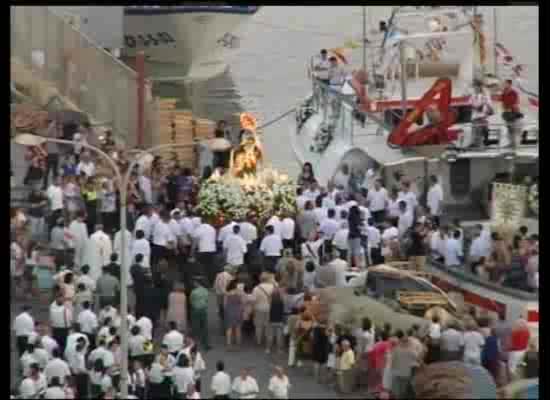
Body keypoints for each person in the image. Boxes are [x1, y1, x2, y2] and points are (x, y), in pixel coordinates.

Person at [390, 331, 419, 399]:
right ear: (408, 343)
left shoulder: (396, 349)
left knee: (396, 389)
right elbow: (417, 358)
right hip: (406, 373)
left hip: (397, 372)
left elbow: (393, 361)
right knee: (403, 390)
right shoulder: (411, 350)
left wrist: (392, 369)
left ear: (400, 342)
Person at [252, 274, 276, 346]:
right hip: (270, 309)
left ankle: (259, 341)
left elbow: (254, 300)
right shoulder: (273, 287)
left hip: (259, 309)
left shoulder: (256, 288)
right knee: (268, 326)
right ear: (268, 279)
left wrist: (253, 309)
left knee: (258, 326)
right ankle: (268, 341)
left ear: (260, 279)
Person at [501, 79, 523, 148]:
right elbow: (502, 100)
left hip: (513, 113)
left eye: (505, 83)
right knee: (509, 128)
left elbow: (515, 102)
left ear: (510, 84)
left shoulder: (514, 92)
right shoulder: (504, 92)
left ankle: (514, 144)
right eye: (504, 83)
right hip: (507, 113)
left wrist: (511, 108)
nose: (504, 84)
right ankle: (511, 143)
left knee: (513, 129)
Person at [190, 278, 211, 351]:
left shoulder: (194, 291)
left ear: (197, 283)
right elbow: (207, 300)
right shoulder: (206, 290)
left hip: (196, 310)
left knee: (195, 327)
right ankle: (206, 344)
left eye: (194, 282)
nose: (193, 283)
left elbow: (191, 300)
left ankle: (193, 344)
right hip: (203, 310)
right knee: (204, 327)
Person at [470, 82, 493, 147]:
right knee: (476, 131)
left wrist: (486, 111)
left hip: (483, 117)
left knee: (481, 130)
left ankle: (482, 143)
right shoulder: (473, 95)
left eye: (476, 87)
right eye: (474, 87)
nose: (475, 88)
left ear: (480, 87)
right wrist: (474, 106)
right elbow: (469, 103)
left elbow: (489, 106)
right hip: (475, 116)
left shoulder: (485, 95)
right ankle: (477, 144)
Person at [224, 279, 244, 349]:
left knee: (229, 329)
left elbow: (225, 304)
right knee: (238, 329)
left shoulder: (227, 293)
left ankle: (229, 344)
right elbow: (242, 302)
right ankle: (238, 344)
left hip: (229, 311)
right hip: (238, 312)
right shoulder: (239, 293)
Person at [267, 288, 286, 354]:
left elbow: (269, 297)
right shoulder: (281, 302)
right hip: (280, 321)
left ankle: (268, 349)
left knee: (270, 336)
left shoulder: (271, 302)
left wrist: (272, 293)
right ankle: (279, 350)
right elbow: (283, 311)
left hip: (272, 320)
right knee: (279, 336)